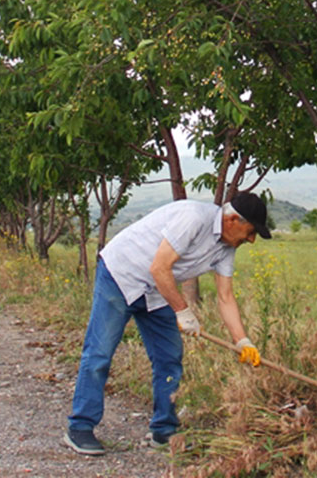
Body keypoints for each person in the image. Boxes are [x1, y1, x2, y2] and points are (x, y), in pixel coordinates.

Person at [63, 191, 271, 456]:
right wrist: (183, 311)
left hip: (156, 291)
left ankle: (164, 430)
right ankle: (80, 427)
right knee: (100, 353)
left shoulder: (226, 248)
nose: (251, 240)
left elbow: (225, 296)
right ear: (232, 220)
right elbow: (159, 267)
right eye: (251, 232)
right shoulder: (194, 218)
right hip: (121, 274)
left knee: (169, 358)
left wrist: (242, 340)